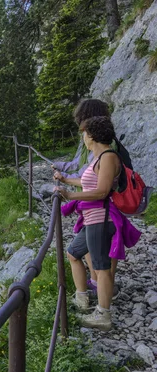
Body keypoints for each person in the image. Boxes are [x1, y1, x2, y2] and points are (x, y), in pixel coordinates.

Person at [54, 117, 140, 331]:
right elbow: (88, 181)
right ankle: (82, 299)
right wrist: (65, 180)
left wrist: (69, 195)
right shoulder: (98, 158)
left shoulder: (109, 157)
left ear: (91, 135)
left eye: (84, 133)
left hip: (102, 219)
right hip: (94, 219)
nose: (83, 138)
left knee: (101, 268)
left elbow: (102, 191)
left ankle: (103, 315)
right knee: (73, 253)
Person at [52, 99, 118, 296]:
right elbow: (83, 170)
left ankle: (103, 300)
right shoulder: (100, 144)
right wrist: (63, 175)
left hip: (101, 210)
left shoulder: (104, 151)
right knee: (88, 252)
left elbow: (97, 184)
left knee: (101, 260)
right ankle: (97, 288)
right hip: (95, 208)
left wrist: (69, 193)